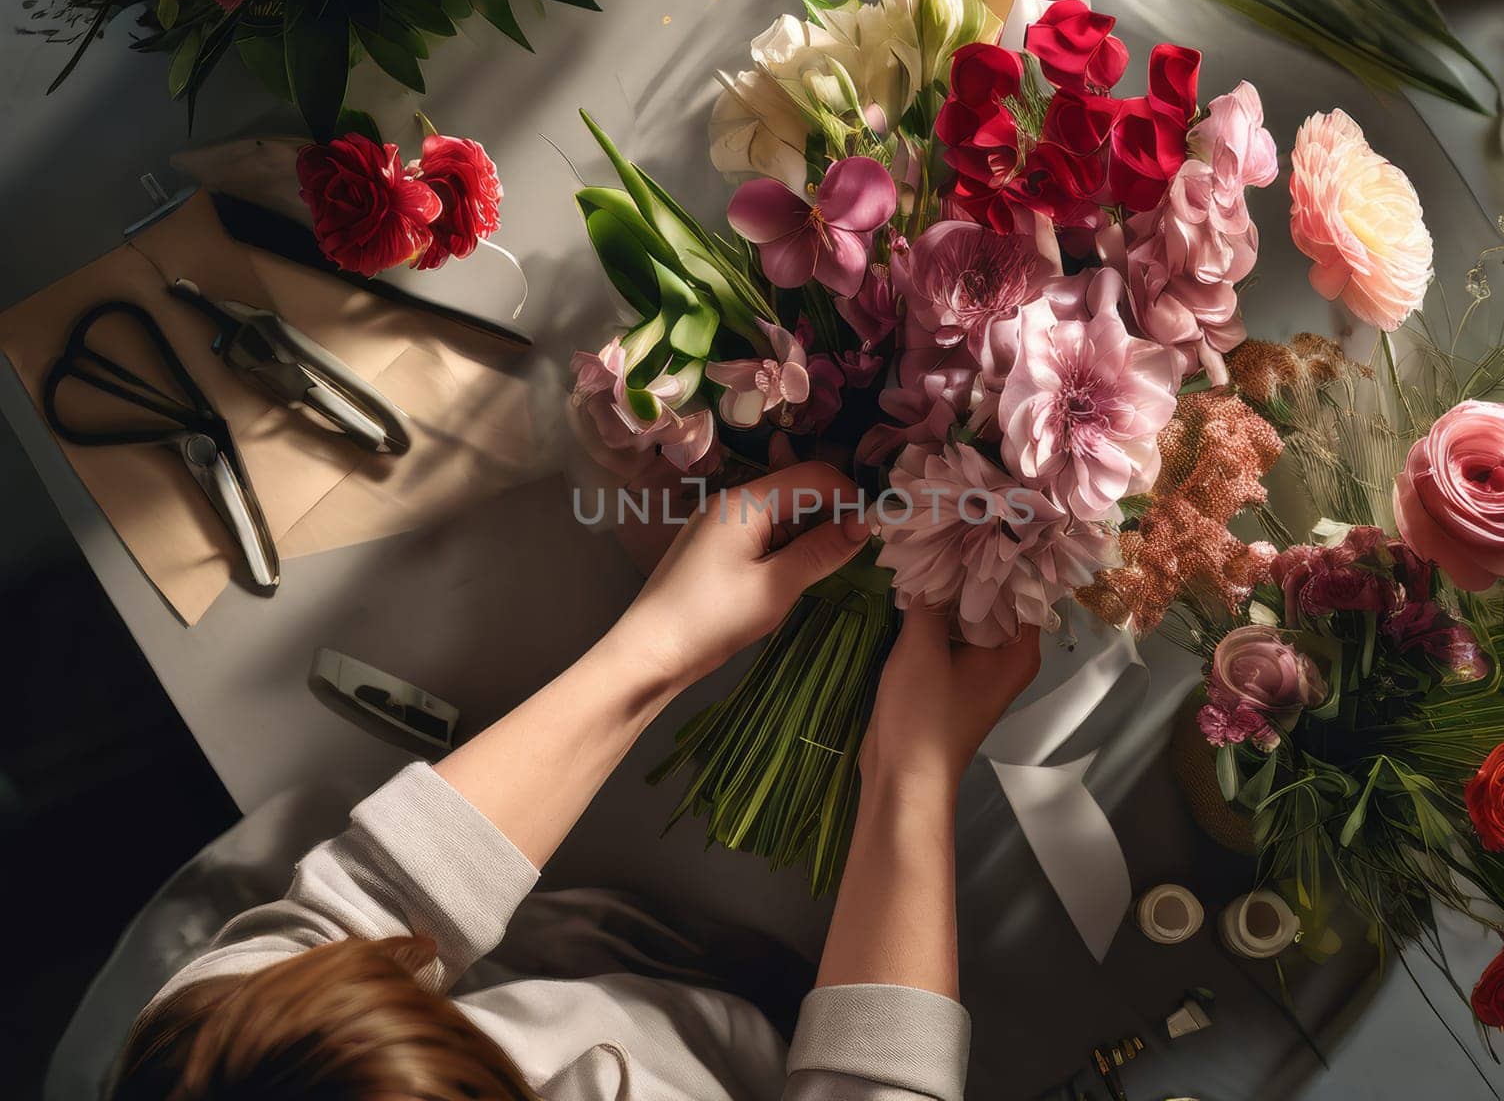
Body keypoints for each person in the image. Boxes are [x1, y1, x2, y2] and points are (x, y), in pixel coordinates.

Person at [109, 463, 1042, 1101]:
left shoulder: (209, 1065)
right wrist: (912, 789)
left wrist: (659, 646)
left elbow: (361, 912)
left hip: (626, 963)